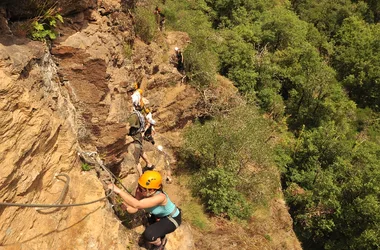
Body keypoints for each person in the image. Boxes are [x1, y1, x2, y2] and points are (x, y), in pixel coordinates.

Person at [108, 171, 181, 250]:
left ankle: (159, 245)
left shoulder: (160, 197)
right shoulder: (141, 191)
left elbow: (137, 204)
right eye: (139, 186)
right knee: (150, 224)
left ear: (151, 190)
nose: (138, 189)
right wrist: (127, 208)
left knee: (149, 234)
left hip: (172, 218)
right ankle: (160, 235)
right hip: (159, 216)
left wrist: (118, 191)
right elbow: (135, 208)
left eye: (141, 188)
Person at [127, 89, 155, 176]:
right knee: (142, 151)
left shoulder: (134, 116)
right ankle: (149, 164)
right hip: (139, 136)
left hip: (135, 138)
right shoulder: (139, 114)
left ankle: (141, 176)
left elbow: (128, 127)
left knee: (136, 160)